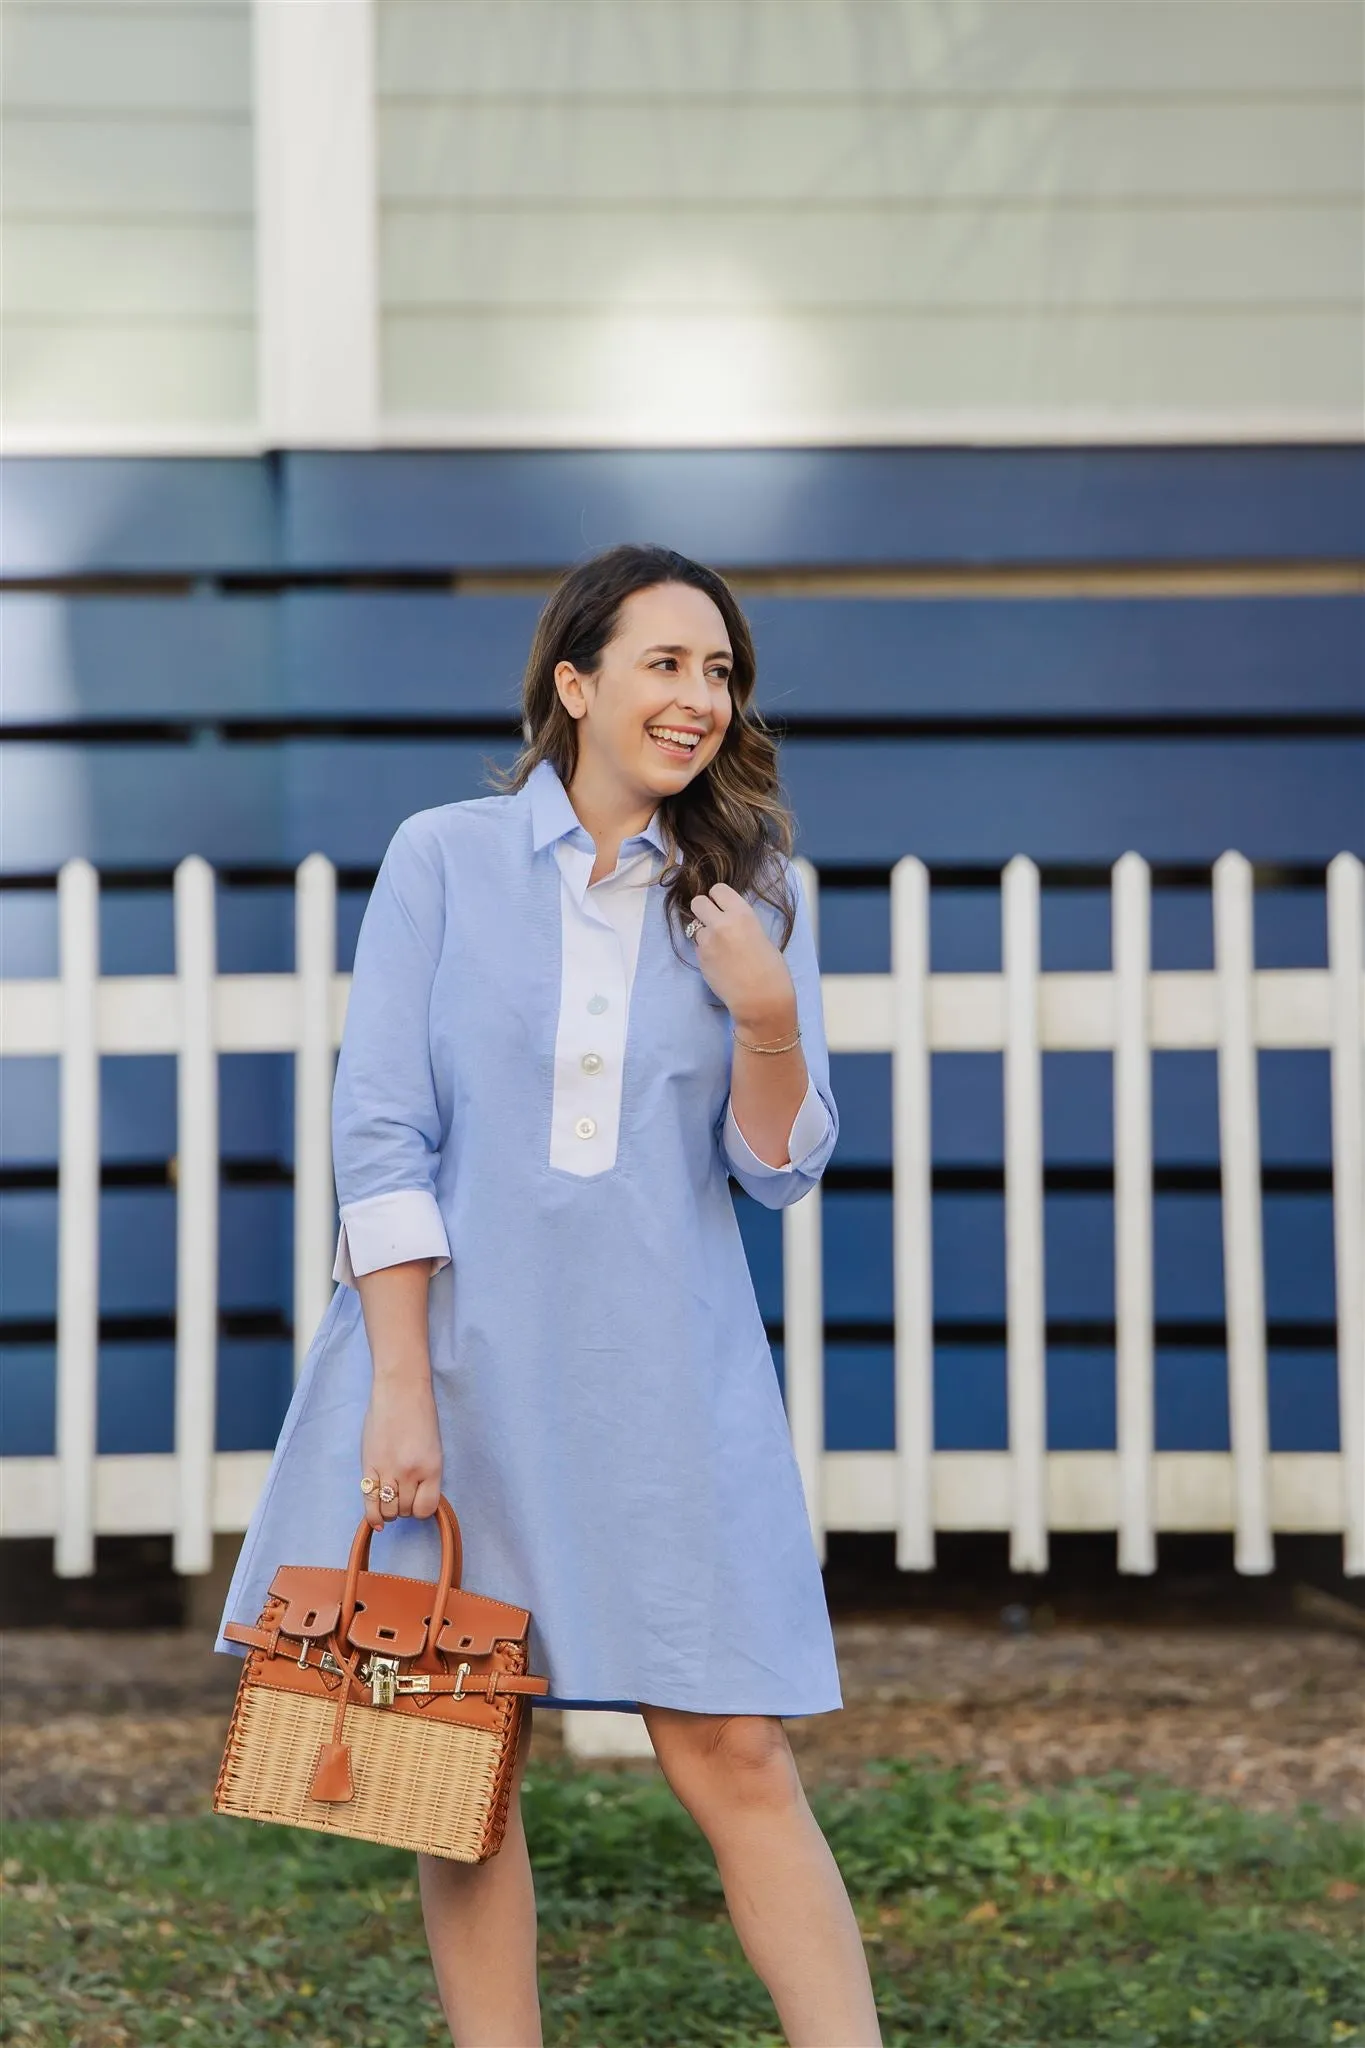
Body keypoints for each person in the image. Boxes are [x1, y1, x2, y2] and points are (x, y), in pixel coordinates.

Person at [216, 542, 883, 2046]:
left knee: (734, 1748)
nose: (700, 698)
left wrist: (766, 1010)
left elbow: (777, 1169)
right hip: (454, 1372)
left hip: (666, 1375)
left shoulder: (759, 889)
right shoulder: (443, 858)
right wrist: (398, 1383)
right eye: (665, 663)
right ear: (573, 684)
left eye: (720, 671)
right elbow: (381, 1132)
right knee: (461, 1758)